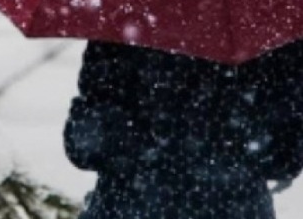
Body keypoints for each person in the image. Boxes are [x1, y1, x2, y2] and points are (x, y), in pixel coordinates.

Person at [64, 40, 303, 219]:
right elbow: (285, 158)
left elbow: (84, 146)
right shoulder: (268, 24)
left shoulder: (125, 12)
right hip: (235, 208)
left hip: (128, 206)